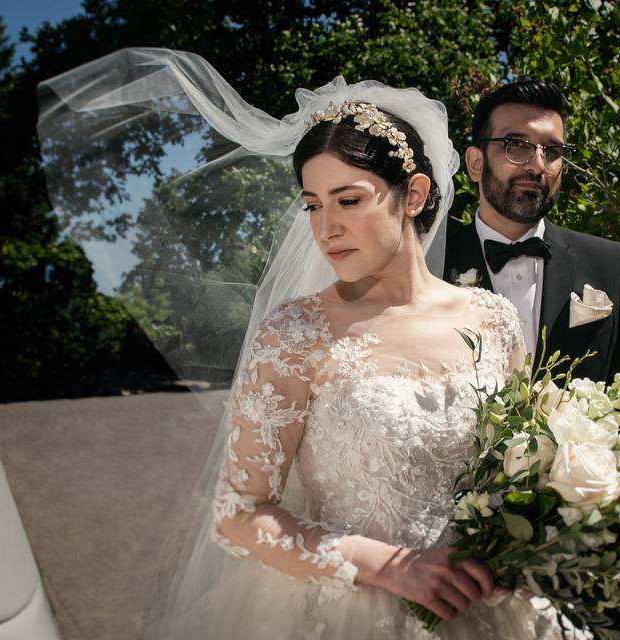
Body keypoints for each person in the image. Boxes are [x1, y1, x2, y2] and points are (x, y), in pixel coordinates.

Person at [37, 50, 561, 639]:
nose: (325, 228)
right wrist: (390, 567)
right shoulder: (294, 334)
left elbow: (528, 476)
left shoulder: (492, 319)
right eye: (313, 205)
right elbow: (239, 516)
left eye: (349, 199)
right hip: (348, 614)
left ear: (413, 195)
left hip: (489, 606)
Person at [444, 80, 620, 467]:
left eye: (551, 151)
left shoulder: (611, 265)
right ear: (475, 163)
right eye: (516, 146)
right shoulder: (427, 265)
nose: (537, 165)